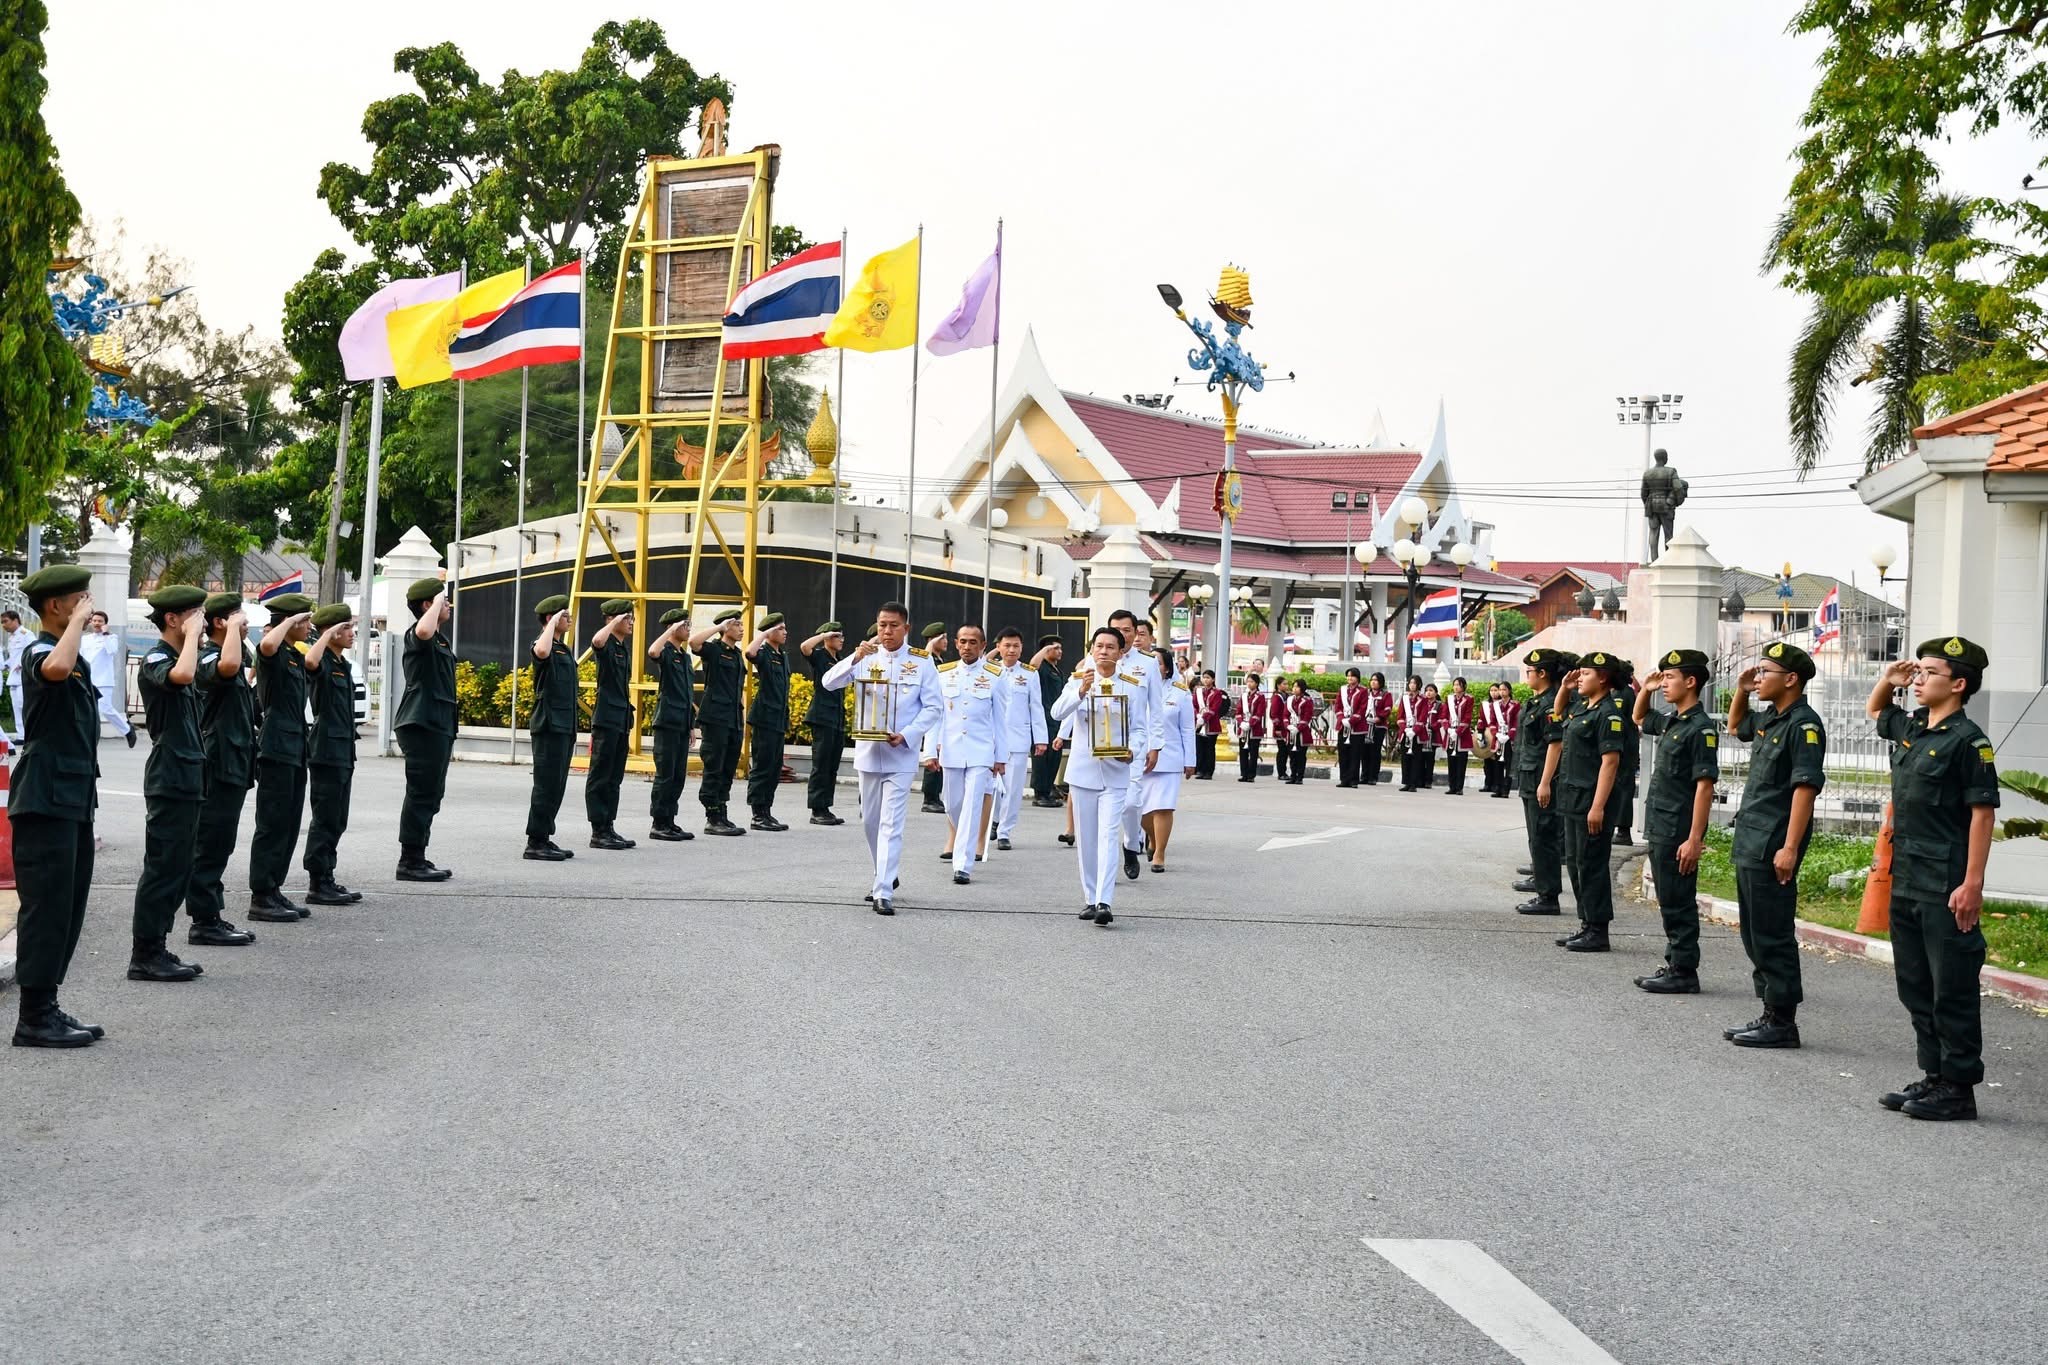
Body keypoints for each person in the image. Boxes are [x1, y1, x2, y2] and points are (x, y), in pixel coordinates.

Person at [1868, 637, 2000, 1121]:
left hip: (1946, 881)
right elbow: (1876, 710)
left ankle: (1959, 1087)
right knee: (1915, 984)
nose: (1918, 679)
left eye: (1929, 673)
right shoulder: (1916, 730)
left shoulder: (1969, 741)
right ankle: (1935, 1074)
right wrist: (1890, 680)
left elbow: (1982, 816)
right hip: (1908, 877)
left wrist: (1973, 884)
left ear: (1959, 684)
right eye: (1917, 671)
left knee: (1953, 987)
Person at [8, 567, 105, 1047]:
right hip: (45, 800)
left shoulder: (71, 654)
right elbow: (55, 670)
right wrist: (76, 628)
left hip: (70, 799)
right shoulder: (40, 651)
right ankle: (34, 1017)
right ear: (55, 607)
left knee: (67, 906)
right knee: (46, 908)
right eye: (80, 599)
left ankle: (47, 1005)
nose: (88, 605)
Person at [1723, 641, 1827, 1049]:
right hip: (1753, 836)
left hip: (1774, 841)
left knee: (1772, 931)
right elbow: (1736, 728)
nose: (1759, 676)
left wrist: (1789, 847)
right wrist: (1742, 691)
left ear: (1791, 679)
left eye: (1766, 671)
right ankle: (1769, 1011)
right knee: (1753, 930)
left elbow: (1805, 788)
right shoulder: (1773, 718)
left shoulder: (1804, 725)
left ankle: (1783, 1021)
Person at [820, 602, 944, 915]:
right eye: (882, 625)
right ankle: (885, 871)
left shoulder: (922, 661)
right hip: (868, 752)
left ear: (906, 628)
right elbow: (828, 683)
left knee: (891, 822)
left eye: (893, 626)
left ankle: (882, 890)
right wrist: (855, 657)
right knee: (870, 822)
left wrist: (909, 734)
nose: (886, 632)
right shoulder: (865, 656)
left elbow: (933, 707)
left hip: (900, 753)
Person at [129, 585, 213, 984]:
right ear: (172, 619)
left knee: (180, 866)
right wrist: (196, 636)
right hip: (169, 774)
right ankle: (144, 953)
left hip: (188, 773)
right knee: (162, 866)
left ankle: (157, 945)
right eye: (193, 614)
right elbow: (181, 677)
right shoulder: (157, 659)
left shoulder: (183, 655)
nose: (200, 620)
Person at [1051, 626, 1159, 926]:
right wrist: (1080, 691)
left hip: (1116, 772)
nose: (1103, 652)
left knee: (1109, 834)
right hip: (1084, 771)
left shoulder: (1131, 684)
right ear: (1091, 650)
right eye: (1098, 646)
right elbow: (1057, 713)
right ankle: (1089, 896)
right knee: (1087, 839)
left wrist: (1133, 751)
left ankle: (1104, 901)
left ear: (1120, 652)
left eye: (1110, 647)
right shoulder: (1077, 681)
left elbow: (1139, 728)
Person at [1630, 648, 1719, 993]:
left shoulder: (1700, 729)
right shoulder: (1674, 721)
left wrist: (1694, 839)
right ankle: (1675, 963)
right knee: (1669, 897)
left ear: (1691, 681)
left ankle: (1684, 969)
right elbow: (1640, 717)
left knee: (1678, 898)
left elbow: (1705, 787)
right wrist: (1647, 689)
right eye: (1663, 677)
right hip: (1662, 824)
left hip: (1678, 828)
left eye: (1670, 678)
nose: (1664, 683)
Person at [1547, 651, 1635, 953]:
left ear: (1603, 678)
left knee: (1592, 865)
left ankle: (1598, 929)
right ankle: (1586, 923)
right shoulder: (1584, 707)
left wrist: (1598, 806)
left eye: (1585, 673)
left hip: (1591, 803)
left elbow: (1610, 762)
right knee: (1575, 863)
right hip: (1573, 799)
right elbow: (1558, 713)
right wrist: (1565, 687)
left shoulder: (1608, 714)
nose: (1579, 677)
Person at [190, 594, 259, 937]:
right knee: (211, 840)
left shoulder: (233, 651)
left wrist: (235, 631)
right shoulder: (209, 658)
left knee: (222, 841)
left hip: (235, 761)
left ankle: (210, 915)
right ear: (220, 623)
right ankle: (204, 920)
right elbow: (229, 666)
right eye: (238, 619)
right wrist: (232, 628)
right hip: (217, 762)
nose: (245, 625)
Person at [247, 591, 318, 921]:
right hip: (276, 745)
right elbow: (265, 646)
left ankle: (274, 888)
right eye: (303, 621)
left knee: (289, 824)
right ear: (285, 623)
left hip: (295, 746)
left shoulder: (293, 654)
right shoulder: (273, 653)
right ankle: (261, 894)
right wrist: (288, 620)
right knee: (272, 822)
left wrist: (298, 624)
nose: (308, 626)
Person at [922, 623, 1010, 885]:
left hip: (981, 751)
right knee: (952, 803)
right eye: (962, 641)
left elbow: (1000, 720)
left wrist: (1000, 756)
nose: (967, 647)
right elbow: (935, 715)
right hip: (951, 749)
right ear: (957, 644)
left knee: (972, 804)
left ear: (983, 646)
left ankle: (963, 864)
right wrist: (929, 750)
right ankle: (963, 840)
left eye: (973, 642)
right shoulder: (944, 674)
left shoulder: (996, 675)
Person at [394, 577, 458, 881]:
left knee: (432, 792)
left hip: (438, 722)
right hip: (422, 722)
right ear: (426, 605)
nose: (448, 605)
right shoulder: (418, 634)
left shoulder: (440, 640)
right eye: (442, 601)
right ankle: (409, 861)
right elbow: (422, 629)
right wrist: (435, 602)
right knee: (421, 792)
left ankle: (418, 855)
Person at [302, 603, 362, 905]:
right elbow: (309, 663)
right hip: (325, 749)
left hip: (343, 749)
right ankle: (318, 881)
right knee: (325, 817)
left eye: (352, 627)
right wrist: (325, 635)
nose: (352, 633)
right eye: (346, 628)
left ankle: (327, 876)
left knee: (338, 818)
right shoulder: (323, 660)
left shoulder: (342, 664)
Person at [1515, 650, 1575, 914]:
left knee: (1543, 836)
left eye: (1530, 671)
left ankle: (1548, 896)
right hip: (1530, 776)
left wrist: (1545, 782)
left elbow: (1555, 744)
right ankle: (1542, 885)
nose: (1527, 675)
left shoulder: (1550, 704)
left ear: (1542, 674)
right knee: (1536, 836)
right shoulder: (1537, 701)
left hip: (1541, 777)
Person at [524, 596, 580, 860]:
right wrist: (551, 624)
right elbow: (541, 652)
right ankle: (535, 841)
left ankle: (545, 836)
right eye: (564, 616)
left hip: (564, 725)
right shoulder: (542, 643)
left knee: (557, 784)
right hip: (548, 724)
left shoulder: (563, 648)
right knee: (546, 783)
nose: (569, 619)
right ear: (551, 619)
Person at [583, 599, 638, 850]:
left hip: (621, 718)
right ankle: (598, 830)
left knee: (614, 777)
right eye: (626, 618)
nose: (631, 622)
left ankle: (609, 826)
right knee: (600, 775)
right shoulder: (606, 644)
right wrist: (614, 621)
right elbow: (596, 642)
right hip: (606, 718)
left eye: (630, 618)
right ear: (611, 619)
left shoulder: (622, 647)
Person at [690, 607, 748, 836]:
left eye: (741, 625)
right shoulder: (714, 650)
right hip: (715, 717)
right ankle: (712, 816)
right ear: (726, 627)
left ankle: (722, 811)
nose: (741, 629)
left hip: (733, 717)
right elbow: (694, 643)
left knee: (728, 766)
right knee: (714, 766)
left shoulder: (736, 654)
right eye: (737, 624)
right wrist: (718, 628)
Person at [990, 627, 1049, 850]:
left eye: (1016, 646)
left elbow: (1036, 707)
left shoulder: (1029, 674)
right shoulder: (990, 670)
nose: (1011, 650)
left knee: (1013, 788)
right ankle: (993, 820)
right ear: (998, 647)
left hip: (1018, 738)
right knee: (991, 786)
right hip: (992, 738)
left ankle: (1005, 830)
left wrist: (1040, 739)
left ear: (1022, 648)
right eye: (1007, 645)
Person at [1140, 648, 1198, 873]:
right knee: (1140, 811)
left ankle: (1160, 853)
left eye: (1159, 663)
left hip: (1170, 757)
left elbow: (1187, 729)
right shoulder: (1137, 688)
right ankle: (1152, 838)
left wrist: (1190, 760)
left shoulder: (1180, 693)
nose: (1155, 668)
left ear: (1167, 668)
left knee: (1163, 808)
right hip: (1140, 757)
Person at [647, 607, 698, 842]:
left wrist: (691, 726)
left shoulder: (685, 657)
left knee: (678, 775)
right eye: (683, 625)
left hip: (681, 722)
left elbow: (687, 695)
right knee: (665, 774)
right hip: (667, 721)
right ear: (672, 628)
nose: (688, 629)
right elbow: (652, 651)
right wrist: (669, 632)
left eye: (688, 625)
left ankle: (670, 819)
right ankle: (659, 822)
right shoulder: (666, 651)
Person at [746, 613, 792, 831]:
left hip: (778, 718)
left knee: (774, 767)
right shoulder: (764, 652)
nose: (785, 632)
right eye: (781, 629)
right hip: (765, 717)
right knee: (762, 766)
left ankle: (767, 810)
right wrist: (763, 634)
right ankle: (757, 814)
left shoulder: (782, 655)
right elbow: (749, 652)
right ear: (770, 632)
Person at [799, 622, 848, 825]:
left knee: (832, 765)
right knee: (821, 764)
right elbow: (804, 647)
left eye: (841, 636)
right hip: (822, 716)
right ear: (828, 638)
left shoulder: (840, 660)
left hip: (836, 718)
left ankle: (826, 807)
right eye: (837, 636)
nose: (841, 640)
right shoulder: (820, 656)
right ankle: (817, 809)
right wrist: (824, 635)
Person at [80, 610, 135, 748]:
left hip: (103, 680)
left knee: (105, 709)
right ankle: (88, 737)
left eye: (100, 621)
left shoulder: (111, 638)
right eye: (95, 621)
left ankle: (127, 730)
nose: (97, 623)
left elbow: (111, 651)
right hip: (87, 679)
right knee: (87, 710)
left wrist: (105, 634)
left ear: (105, 624)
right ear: (91, 622)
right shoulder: (85, 639)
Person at [917, 622, 950, 812]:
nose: (945, 642)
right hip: (931, 714)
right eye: (942, 638)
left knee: (940, 755)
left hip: (942, 713)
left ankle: (935, 796)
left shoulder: (941, 661)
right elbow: (924, 660)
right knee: (932, 754)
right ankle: (929, 798)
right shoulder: (927, 658)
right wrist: (930, 645)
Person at [1030, 635, 1066, 805]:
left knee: (1054, 756)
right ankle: (1040, 794)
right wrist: (1044, 650)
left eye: (1060, 648)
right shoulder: (1042, 667)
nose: (1060, 651)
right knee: (1042, 757)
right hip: (1043, 718)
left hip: (1056, 719)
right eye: (1056, 648)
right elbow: (1032, 666)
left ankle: (1048, 788)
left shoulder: (1056, 669)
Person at [1612, 659, 1641, 846]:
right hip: (1619, 747)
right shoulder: (1616, 692)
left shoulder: (1625, 694)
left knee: (1623, 789)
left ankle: (1623, 831)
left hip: (1625, 749)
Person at [1, 607, 33, 744]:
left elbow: (34, 650)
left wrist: (22, 663)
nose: (3, 625)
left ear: (15, 620)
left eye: (6, 621)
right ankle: (21, 735)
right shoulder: (12, 638)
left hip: (24, 676)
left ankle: (30, 734)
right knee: (16, 707)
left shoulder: (26, 634)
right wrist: (7, 665)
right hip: (14, 677)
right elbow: (13, 656)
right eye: (2, 622)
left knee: (24, 705)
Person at [1439, 676, 1475, 795]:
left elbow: (1467, 717)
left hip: (1462, 736)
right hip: (1450, 734)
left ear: (1463, 686)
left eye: (1458, 685)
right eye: (1454, 684)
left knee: (1461, 762)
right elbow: (1444, 715)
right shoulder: (1449, 699)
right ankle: (1452, 786)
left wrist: (1458, 731)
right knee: (1451, 762)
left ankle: (1459, 787)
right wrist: (1448, 729)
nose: (1456, 687)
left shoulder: (1469, 699)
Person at [1190, 669, 1227, 780]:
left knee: (1210, 749)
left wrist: (1204, 718)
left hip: (1211, 725)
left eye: (1208, 678)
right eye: (1204, 677)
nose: (1205, 680)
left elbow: (1214, 709)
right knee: (1200, 748)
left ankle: (1208, 771)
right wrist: (1197, 715)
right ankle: (1200, 770)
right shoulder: (1198, 691)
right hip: (1199, 724)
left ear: (1213, 679)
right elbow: (1194, 705)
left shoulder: (1217, 693)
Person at [1334, 668, 1368, 788]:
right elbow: (1337, 706)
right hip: (1343, 725)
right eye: (1348, 676)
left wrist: (1352, 720)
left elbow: (1362, 709)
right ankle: (1344, 779)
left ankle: (1354, 780)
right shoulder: (1342, 689)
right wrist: (1342, 719)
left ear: (1357, 678)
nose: (1350, 678)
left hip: (1357, 727)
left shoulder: (1363, 691)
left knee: (1355, 754)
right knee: (1343, 753)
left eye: (1352, 676)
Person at [1396, 677, 1432, 791]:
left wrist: (1414, 730)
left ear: (1419, 685)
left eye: (1414, 683)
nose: (1412, 685)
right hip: (1405, 732)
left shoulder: (1423, 699)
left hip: (1418, 733)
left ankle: (1413, 783)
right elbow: (1400, 716)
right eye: (1410, 683)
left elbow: (1423, 717)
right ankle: (1406, 782)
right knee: (1405, 758)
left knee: (1416, 759)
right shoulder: (1405, 698)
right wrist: (1405, 728)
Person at [1277, 677, 1315, 784]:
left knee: (1301, 755)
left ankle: (1300, 777)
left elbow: (1307, 717)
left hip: (1302, 732)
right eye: (1293, 686)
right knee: (1292, 755)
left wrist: (1298, 728)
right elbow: (1285, 715)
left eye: (1297, 686)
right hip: (1291, 732)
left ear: (1302, 688)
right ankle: (1293, 776)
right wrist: (1288, 726)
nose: (1294, 688)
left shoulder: (1307, 701)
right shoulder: (1289, 700)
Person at [1362, 671, 1393, 787]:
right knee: (1364, 751)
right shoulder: (1366, 693)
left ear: (1380, 682)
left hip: (1378, 726)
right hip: (1365, 725)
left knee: (1375, 751)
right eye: (1372, 680)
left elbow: (1388, 709)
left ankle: (1373, 777)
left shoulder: (1386, 695)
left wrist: (1378, 718)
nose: (1373, 682)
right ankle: (1364, 776)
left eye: (1376, 680)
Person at [1235, 672, 1268, 782]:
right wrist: (1241, 723)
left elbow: (1259, 713)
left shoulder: (1260, 697)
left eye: (1252, 682)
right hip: (1243, 728)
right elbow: (1238, 711)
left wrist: (1250, 723)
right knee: (1243, 752)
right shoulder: (1244, 696)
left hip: (1254, 729)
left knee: (1253, 753)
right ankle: (1244, 774)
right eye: (1248, 681)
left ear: (1257, 683)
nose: (1249, 684)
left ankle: (1251, 775)